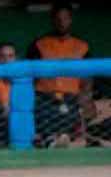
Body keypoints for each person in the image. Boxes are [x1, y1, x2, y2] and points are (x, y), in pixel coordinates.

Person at [27, 1, 91, 147]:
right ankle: (52, 140)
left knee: (71, 120)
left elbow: (88, 79)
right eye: (58, 19)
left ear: (71, 19)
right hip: (44, 98)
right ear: (52, 20)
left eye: (65, 18)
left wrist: (85, 100)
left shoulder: (82, 46)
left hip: (71, 98)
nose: (62, 22)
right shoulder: (39, 44)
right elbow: (30, 76)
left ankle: (57, 140)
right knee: (44, 118)